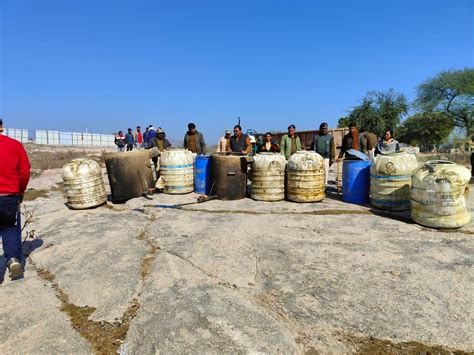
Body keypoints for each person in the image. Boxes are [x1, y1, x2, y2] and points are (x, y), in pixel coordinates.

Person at [0, 118, 30, 280]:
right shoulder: (15, 145)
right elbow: (24, 172)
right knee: (9, 227)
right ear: (1, 127)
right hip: (9, 195)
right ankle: (13, 260)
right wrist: (21, 191)